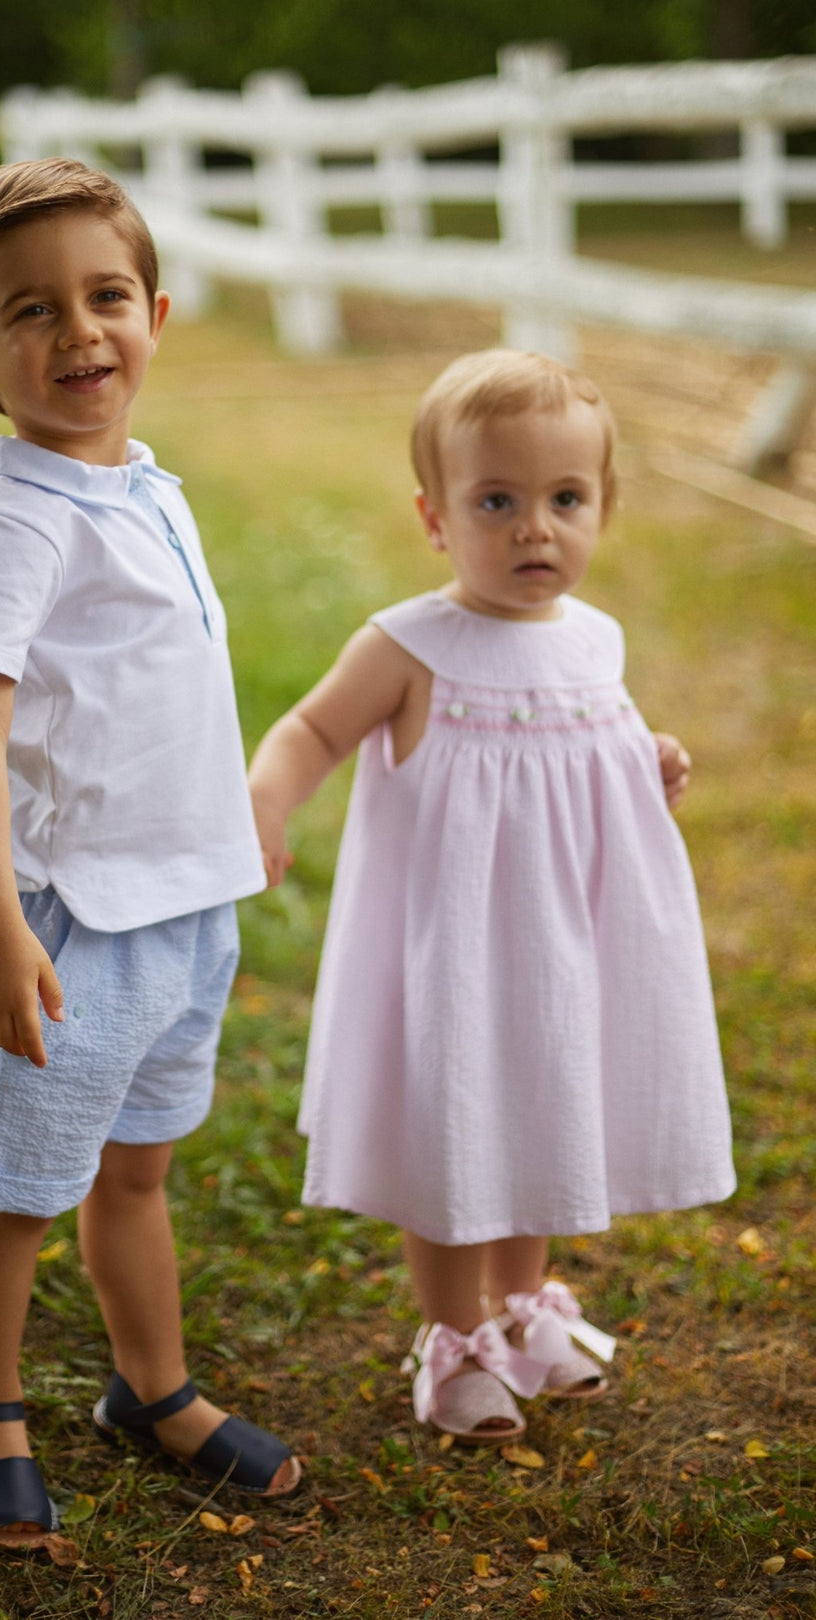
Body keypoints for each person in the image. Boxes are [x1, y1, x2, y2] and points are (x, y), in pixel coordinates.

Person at [248, 349, 735, 1447]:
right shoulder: (411, 644)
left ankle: (524, 1309)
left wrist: (642, 760)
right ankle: (454, 1334)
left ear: (604, 506)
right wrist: (266, 800)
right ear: (436, 516)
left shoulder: (594, 637)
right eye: (497, 502)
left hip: (565, 945)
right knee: (459, 1125)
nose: (535, 529)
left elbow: (584, 754)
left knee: (545, 1109)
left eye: (566, 500)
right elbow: (313, 728)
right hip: (457, 950)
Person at [0, 158, 300, 1551]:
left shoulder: (145, 487)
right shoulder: (9, 523)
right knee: (20, 1185)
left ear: (154, 310)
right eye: (34, 313)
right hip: (74, 928)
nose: (80, 333)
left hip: (187, 911)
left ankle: (154, 1392)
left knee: (137, 1172)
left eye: (105, 297)